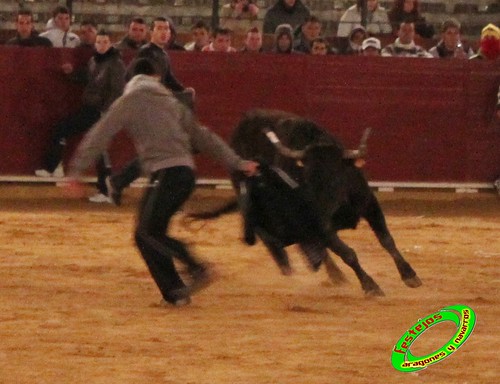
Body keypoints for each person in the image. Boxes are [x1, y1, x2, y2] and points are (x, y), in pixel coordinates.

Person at [65, 58, 259, 306]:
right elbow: (203, 137)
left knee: (146, 232)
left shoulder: (129, 100)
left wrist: (76, 171)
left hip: (166, 174)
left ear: (131, 79)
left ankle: (195, 266)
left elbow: (100, 134)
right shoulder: (171, 102)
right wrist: (238, 163)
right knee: (149, 233)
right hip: (185, 174)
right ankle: (175, 293)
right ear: (155, 77)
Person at [36, 30, 126, 202]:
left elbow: (117, 90)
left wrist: (105, 112)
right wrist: (71, 74)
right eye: (99, 42)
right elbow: (87, 78)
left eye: (105, 42)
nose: (101, 45)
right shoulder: (94, 61)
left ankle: (54, 166)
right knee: (98, 149)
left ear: (110, 44)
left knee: (70, 133)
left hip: (100, 111)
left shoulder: (116, 64)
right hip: (90, 108)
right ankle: (106, 191)